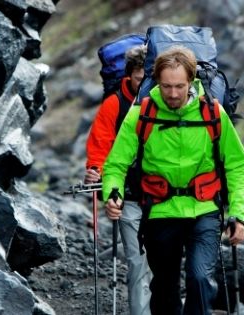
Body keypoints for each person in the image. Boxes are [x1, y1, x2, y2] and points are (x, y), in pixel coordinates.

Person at [101, 45, 244, 315]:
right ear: (156, 81)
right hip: (160, 210)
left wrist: (238, 214)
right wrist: (113, 194)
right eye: (166, 86)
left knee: (201, 279)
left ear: (191, 81)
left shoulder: (213, 113)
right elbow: (116, 164)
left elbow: (238, 165)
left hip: (204, 209)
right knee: (164, 287)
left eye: (179, 86)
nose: (172, 94)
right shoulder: (141, 114)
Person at [84, 45, 151, 315]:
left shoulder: (166, 101)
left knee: (164, 267)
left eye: (149, 78)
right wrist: (96, 170)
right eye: (138, 78)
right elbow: (100, 146)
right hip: (129, 198)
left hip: (168, 199)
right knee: (137, 263)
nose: (144, 84)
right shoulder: (114, 104)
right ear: (128, 75)